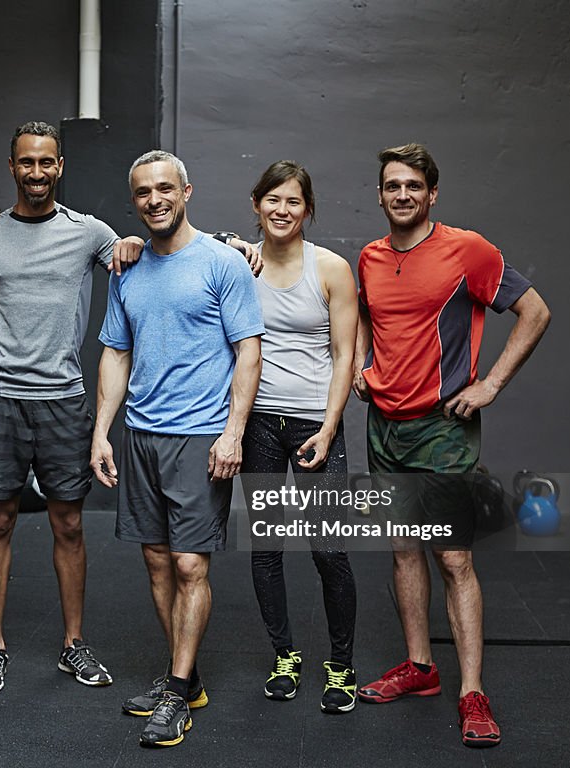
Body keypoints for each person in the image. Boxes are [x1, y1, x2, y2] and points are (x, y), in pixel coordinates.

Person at [353, 143, 551, 747]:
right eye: (392, 186)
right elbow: (370, 317)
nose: (403, 195)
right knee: (403, 550)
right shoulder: (369, 256)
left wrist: (490, 383)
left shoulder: (468, 250)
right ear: (381, 194)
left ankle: (472, 691)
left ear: (432, 193)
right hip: (385, 428)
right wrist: (364, 364)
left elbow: (535, 311)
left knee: (453, 557)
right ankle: (419, 667)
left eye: (414, 185)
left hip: (443, 429)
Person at [0, 121, 144, 694]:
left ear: (60, 167)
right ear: (12, 167)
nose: (37, 172)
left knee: (67, 523)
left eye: (47, 162)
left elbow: (157, 248)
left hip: (64, 400)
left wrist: (238, 246)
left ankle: (73, 644)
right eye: (26, 163)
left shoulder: (90, 234)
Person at [91, 150, 265, 747]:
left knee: (191, 564)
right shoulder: (128, 268)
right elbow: (116, 352)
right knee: (157, 562)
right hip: (141, 434)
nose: (155, 200)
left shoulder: (223, 263)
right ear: (134, 200)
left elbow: (248, 350)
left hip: (199, 437)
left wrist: (233, 431)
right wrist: (101, 432)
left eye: (166, 188)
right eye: (143, 192)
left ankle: (177, 688)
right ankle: (182, 679)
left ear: (186, 191)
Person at [240, 161, 359, 712]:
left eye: (293, 201)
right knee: (266, 549)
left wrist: (331, 426)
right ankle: (284, 654)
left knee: (330, 550)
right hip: (259, 423)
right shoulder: (242, 264)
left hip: (316, 422)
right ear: (257, 204)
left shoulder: (332, 269)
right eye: (272, 200)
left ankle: (340, 665)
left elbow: (344, 356)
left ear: (307, 209)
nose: (282, 210)